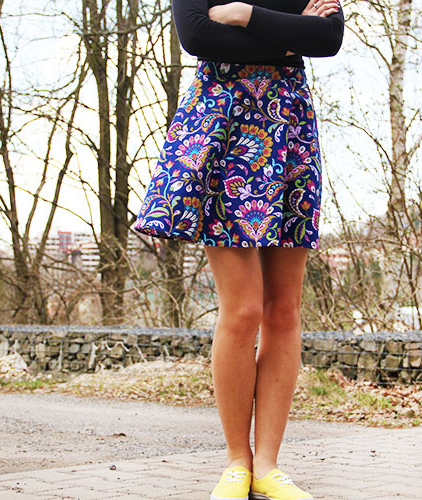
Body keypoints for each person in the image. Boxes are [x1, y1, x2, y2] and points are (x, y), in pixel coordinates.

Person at [132, 1, 344, 499]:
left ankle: (267, 465)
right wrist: (289, 40)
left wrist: (245, 14)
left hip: (288, 130)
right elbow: (197, 35)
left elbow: (327, 39)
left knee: (284, 310)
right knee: (243, 309)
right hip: (222, 129)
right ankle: (236, 461)